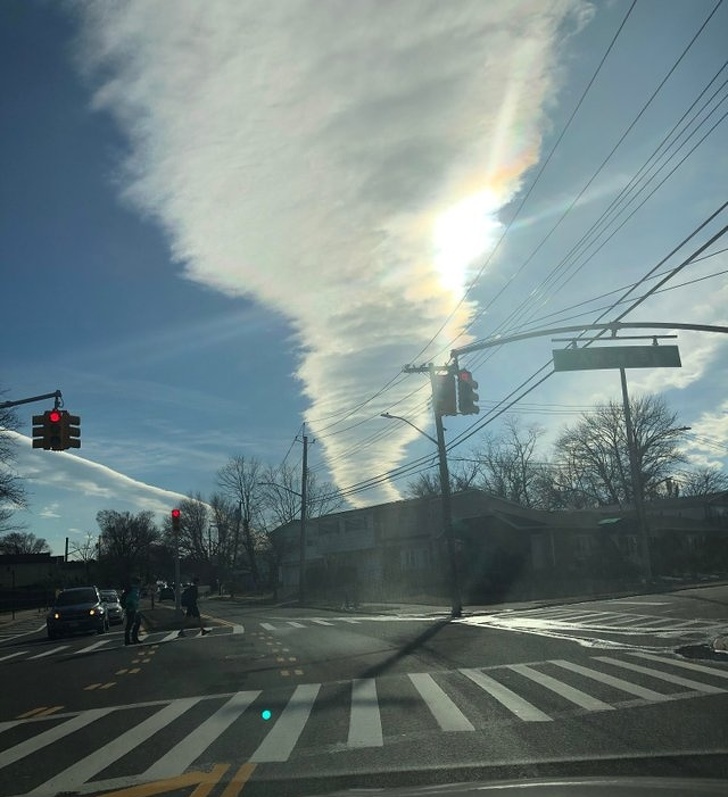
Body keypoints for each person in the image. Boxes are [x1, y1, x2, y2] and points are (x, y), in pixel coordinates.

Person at [122, 578, 142, 645]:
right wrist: (130, 605)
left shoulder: (137, 590)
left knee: (137, 623)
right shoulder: (131, 589)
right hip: (131, 609)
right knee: (130, 625)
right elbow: (129, 599)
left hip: (135, 609)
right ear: (138, 583)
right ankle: (127, 640)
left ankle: (134, 638)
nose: (140, 584)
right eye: (140, 583)